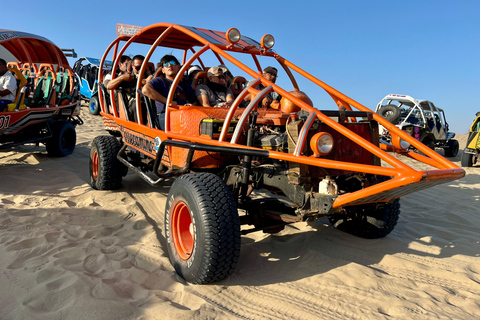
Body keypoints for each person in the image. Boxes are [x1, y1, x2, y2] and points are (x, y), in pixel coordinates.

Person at [142, 55, 197, 130]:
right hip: (165, 115)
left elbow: (195, 102)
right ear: (163, 70)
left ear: (178, 66)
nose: (169, 65)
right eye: (166, 64)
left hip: (184, 114)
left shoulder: (186, 85)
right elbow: (145, 90)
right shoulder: (159, 81)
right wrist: (168, 102)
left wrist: (191, 106)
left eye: (172, 63)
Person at [106, 55, 152, 122]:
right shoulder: (128, 76)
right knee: (139, 104)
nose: (140, 70)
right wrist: (122, 78)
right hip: (134, 103)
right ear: (132, 66)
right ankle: (140, 128)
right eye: (137, 67)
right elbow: (109, 86)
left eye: (142, 67)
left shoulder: (149, 75)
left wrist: (151, 78)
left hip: (150, 100)